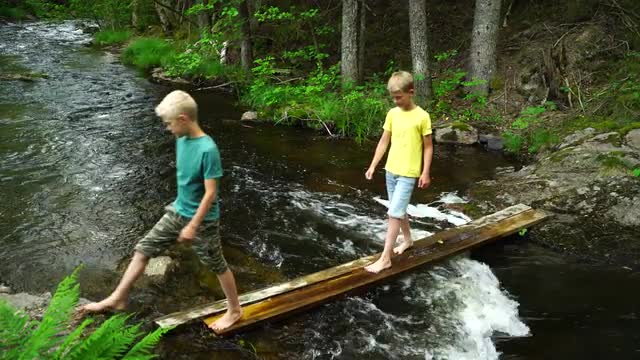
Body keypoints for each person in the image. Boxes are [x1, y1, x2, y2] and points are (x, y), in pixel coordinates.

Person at [79, 90, 242, 331]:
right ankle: (118, 298)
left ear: (184, 119)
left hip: (202, 221)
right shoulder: (182, 139)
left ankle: (235, 310)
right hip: (177, 212)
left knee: (217, 265)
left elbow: (210, 194)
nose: (167, 129)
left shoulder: (208, 150)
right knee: (143, 249)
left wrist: (193, 226)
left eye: (169, 124)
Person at [364, 71, 434, 273]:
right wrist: (373, 165)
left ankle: (385, 258)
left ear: (410, 92)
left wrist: (425, 172)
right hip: (391, 171)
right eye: (393, 97)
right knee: (399, 209)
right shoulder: (392, 114)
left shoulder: (422, 116)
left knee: (394, 213)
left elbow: (428, 147)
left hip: (408, 173)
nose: (395, 101)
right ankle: (408, 240)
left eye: (399, 97)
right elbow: (384, 141)